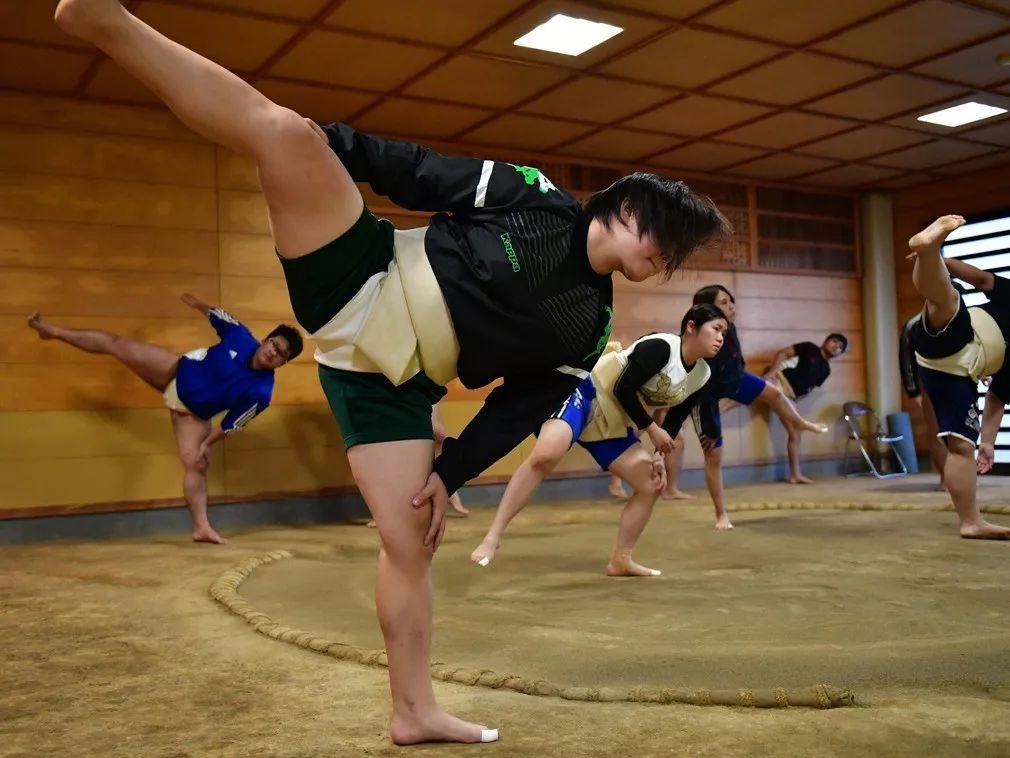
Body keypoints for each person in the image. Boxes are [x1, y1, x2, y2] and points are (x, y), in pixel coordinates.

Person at [53, 0, 731, 744]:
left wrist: (451, 472)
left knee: (410, 542)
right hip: (364, 275)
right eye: (664, 241)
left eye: (673, 258)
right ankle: (108, 21)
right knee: (282, 132)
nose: (662, 262)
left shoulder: (591, 323)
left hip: (392, 385)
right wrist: (326, 147)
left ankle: (413, 712)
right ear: (628, 207)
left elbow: (517, 407)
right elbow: (417, 172)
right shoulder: (533, 197)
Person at [469, 303, 727, 576]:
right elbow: (623, 387)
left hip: (615, 421)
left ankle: (621, 559)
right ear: (691, 327)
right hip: (587, 392)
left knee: (651, 482)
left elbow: (677, 415)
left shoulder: (702, 374)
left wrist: (659, 455)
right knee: (546, 454)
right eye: (717, 329)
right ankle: (493, 536)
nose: (722, 337)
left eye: (726, 332)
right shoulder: (662, 347)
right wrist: (651, 429)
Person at [27, 294, 301, 544]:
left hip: (191, 415)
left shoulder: (261, 393)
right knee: (116, 344)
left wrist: (207, 444)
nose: (273, 353)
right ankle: (52, 332)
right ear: (266, 339)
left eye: (281, 355)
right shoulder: (240, 336)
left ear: (282, 364)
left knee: (196, 465)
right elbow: (217, 314)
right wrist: (198, 305)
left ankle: (201, 528)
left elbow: (233, 424)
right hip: (173, 370)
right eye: (274, 344)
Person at [660, 285, 828, 529]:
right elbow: (689, 375)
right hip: (704, 392)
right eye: (724, 302)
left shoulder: (730, 327)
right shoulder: (697, 334)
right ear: (705, 310)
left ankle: (800, 422)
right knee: (714, 454)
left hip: (735, 378)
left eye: (731, 302)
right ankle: (721, 514)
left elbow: (735, 359)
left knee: (776, 393)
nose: (731, 307)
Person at [906, 215, 1010, 539]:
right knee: (946, 300)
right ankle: (928, 252)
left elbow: (997, 397)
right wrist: (945, 261)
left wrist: (988, 443)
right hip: (959, 345)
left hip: (951, 367)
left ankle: (971, 522)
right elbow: (979, 279)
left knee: (963, 446)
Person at [764, 332, 848, 483]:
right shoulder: (810, 348)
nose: (836, 346)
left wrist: (794, 401)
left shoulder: (826, 370)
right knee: (746, 395)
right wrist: (771, 372)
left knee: (796, 432)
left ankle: (795, 474)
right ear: (826, 341)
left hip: (790, 396)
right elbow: (783, 353)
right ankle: (795, 474)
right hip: (779, 381)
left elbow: (808, 388)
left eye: (840, 347)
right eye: (834, 341)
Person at [900, 314, 946, 487]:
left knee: (962, 433)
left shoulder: (964, 318)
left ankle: (963, 475)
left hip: (960, 378)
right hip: (930, 380)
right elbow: (906, 358)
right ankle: (946, 477)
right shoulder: (915, 324)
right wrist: (913, 391)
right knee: (938, 433)